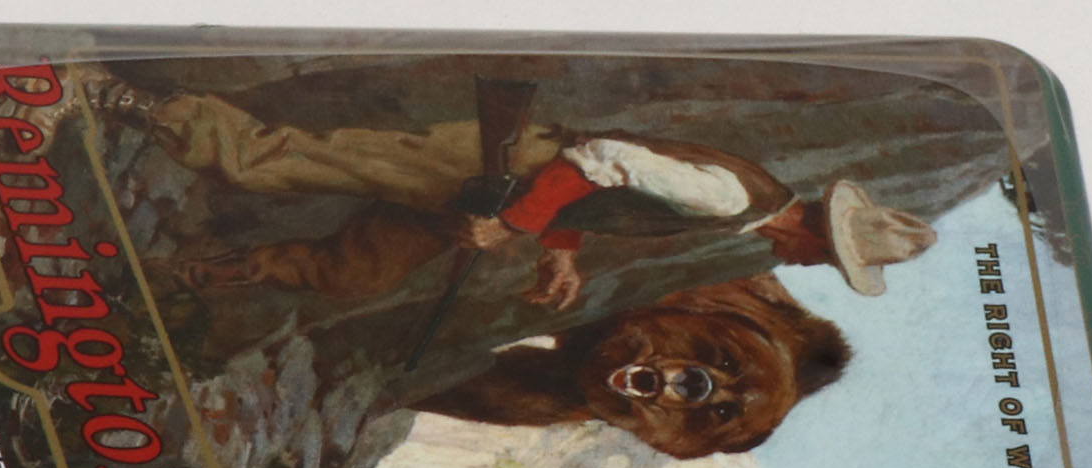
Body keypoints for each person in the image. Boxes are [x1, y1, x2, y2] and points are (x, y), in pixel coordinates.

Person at [61, 80, 936, 308]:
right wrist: (517, 224)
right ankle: (122, 98)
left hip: (502, 193)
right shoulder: (727, 201)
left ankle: (175, 278)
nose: (808, 268)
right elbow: (600, 158)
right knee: (272, 164)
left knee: (356, 274)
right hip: (489, 168)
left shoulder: (746, 205)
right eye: (825, 261)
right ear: (817, 237)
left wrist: (560, 253)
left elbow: (597, 196)